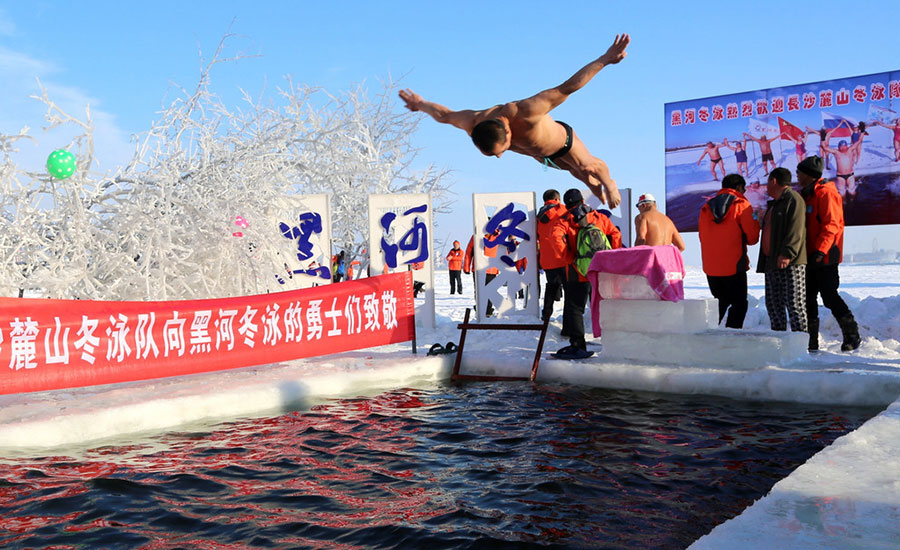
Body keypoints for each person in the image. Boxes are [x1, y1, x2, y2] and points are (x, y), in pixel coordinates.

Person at [398, 34, 631, 209]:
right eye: (494, 154)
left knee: (587, 167)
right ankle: (593, 185)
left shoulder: (527, 111)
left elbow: (568, 87)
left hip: (564, 142)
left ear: (508, 132)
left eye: (501, 150)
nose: (500, 156)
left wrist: (605, 59)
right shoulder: (473, 122)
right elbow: (445, 116)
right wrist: (420, 104)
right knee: (576, 173)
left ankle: (608, 183)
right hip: (544, 156)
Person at [796, 156, 861, 352]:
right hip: (808, 255)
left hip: (825, 255)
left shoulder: (825, 193)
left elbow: (832, 224)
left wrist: (820, 251)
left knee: (829, 296)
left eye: (799, 172)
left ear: (808, 175)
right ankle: (811, 341)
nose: (797, 175)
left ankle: (852, 335)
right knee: (807, 298)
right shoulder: (807, 194)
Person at [554, 189, 622, 360]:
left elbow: (557, 243)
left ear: (566, 204)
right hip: (600, 270)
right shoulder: (598, 217)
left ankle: (578, 344)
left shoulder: (564, 221)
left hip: (578, 272)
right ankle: (612, 342)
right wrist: (611, 257)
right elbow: (615, 234)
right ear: (583, 200)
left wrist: (571, 259)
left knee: (576, 308)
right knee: (603, 305)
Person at [698, 174, 761, 328]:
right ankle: (732, 337)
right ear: (739, 187)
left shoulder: (707, 207)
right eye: (744, 188)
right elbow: (752, 238)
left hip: (711, 267)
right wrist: (756, 222)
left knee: (720, 302)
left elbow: (702, 236)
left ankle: (709, 334)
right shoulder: (741, 204)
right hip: (734, 265)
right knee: (739, 304)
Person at [756, 167, 807, 333]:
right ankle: (779, 342)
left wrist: (787, 253)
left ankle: (800, 344)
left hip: (790, 261)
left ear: (774, 181)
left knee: (794, 303)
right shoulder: (775, 204)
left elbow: (796, 229)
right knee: (773, 304)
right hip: (772, 261)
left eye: (768, 182)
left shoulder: (793, 200)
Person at [536, 189, 572, 325]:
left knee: (551, 287)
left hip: (547, 260)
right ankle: (568, 320)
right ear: (557, 199)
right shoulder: (563, 210)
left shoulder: (539, 216)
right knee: (569, 290)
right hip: (563, 257)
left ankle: (545, 316)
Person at [820, 124, 863, 198]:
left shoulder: (850, 149)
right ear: (838, 147)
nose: (843, 148)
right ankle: (844, 204)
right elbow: (824, 147)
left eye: (844, 146)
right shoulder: (836, 152)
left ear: (846, 146)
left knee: (852, 191)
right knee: (842, 193)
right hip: (840, 176)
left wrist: (862, 131)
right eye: (841, 146)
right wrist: (823, 138)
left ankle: (853, 202)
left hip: (850, 174)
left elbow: (859, 141)